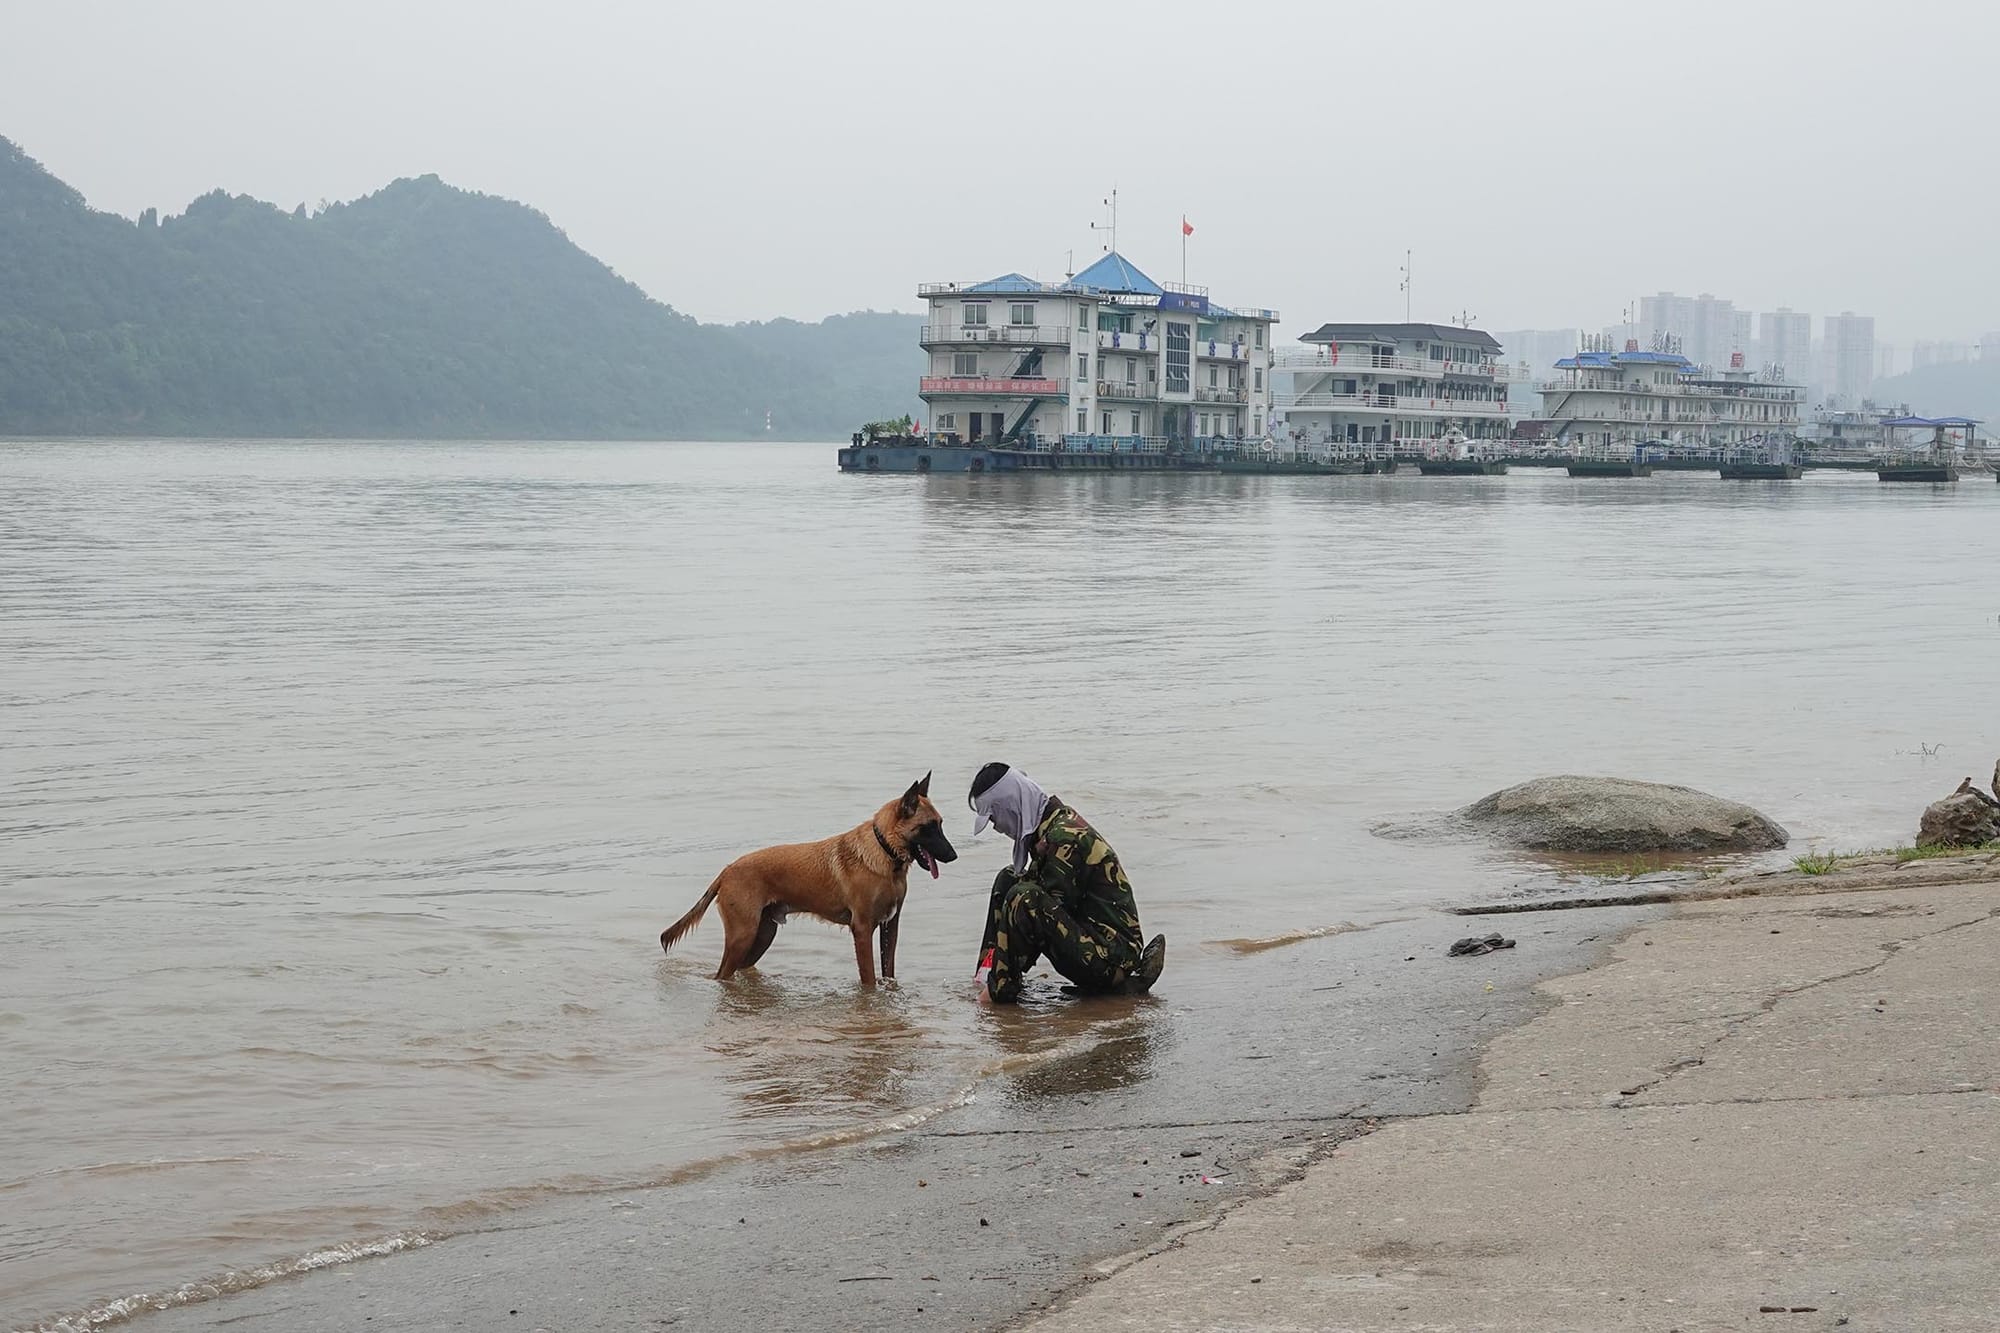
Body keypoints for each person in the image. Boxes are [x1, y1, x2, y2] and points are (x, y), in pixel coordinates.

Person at [968, 763, 1165, 1003]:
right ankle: (986, 975)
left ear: (1011, 807)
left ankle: (998, 991)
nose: (997, 827)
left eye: (994, 818)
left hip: (1111, 959)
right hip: (1094, 941)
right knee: (1008, 880)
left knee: (1024, 898)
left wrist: (994, 993)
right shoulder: (1049, 826)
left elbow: (1037, 917)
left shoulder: (1063, 837)